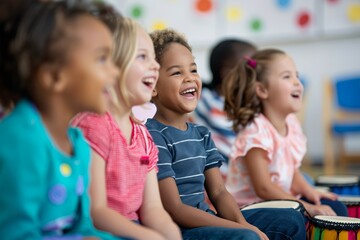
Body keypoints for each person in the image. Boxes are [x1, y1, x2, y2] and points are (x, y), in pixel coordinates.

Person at [146, 28, 307, 240]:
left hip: (206, 218)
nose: (190, 79)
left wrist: (242, 223)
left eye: (193, 70)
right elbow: (174, 209)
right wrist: (240, 230)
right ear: (153, 85)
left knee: (291, 219)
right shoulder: (153, 135)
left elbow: (219, 192)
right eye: (177, 73)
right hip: (179, 230)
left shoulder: (201, 134)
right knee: (246, 238)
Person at [0, 1, 122, 239]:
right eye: (102, 59)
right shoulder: (20, 140)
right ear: (55, 77)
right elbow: (16, 233)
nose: (115, 71)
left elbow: (83, 228)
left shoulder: (78, 143)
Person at [72, 17, 181, 240]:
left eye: (154, 58)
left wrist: (171, 235)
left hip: (135, 229)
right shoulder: (93, 125)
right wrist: (151, 237)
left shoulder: (143, 135)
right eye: (142, 57)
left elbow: (153, 209)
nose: (156, 65)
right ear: (110, 67)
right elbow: (97, 211)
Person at [223, 48, 348, 218]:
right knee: (295, 218)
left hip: (280, 201)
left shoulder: (292, 124)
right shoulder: (255, 132)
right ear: (262, 90)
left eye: (296, 75)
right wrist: (305, 206)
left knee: (335, 207)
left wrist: (310, 193)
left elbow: (293, 173)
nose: (297, 82)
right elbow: (263, 188)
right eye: (287, 76)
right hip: (252, 209)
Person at [191, 39, 257, 169]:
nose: (258, 75)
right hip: (222, 180)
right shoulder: (207, 101)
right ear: (228, 73)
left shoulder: (249, 104)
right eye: (252, 67)